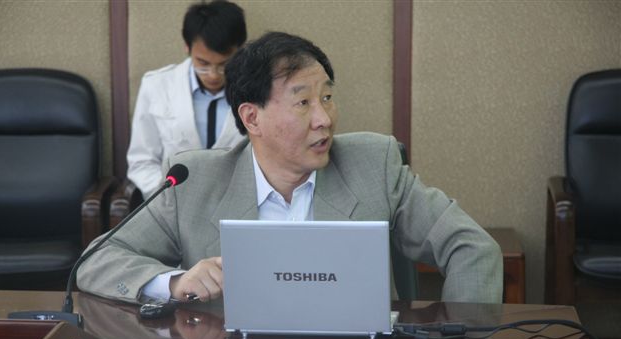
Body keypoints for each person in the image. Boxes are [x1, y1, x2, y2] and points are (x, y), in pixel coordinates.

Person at [78, 32, 503, 304]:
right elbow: (96, 262)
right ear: (252, 118)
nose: (324, 119)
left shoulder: (375, 164)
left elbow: (472, 248)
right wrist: (174, 283)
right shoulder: (194, 182)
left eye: (327, 98)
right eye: (303, 102)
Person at [127, 0, 247, 199]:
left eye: (224, 64)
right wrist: (170, 200)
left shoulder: (258, 89)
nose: (213, 75)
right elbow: (142, 162)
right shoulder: (156, 86)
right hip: (171, 204)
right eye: (203, 63)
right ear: (187, 47)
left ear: (240, 50)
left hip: (237, 203)